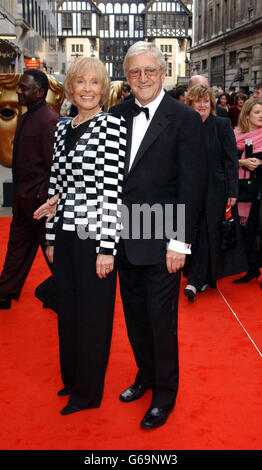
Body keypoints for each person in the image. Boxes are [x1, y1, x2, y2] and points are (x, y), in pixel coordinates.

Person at [109, 41, 206, 429]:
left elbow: (192, 185)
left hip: (165, 239)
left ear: (164, 72)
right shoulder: (116, 115)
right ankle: (146, 375)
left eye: (150, 70)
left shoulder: (184, 119)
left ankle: (164, 394)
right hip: (125, 235)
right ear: (127, 76)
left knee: (161, 321)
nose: (143, 78)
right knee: (134, 318)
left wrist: (180, 242)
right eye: (135, 71)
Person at [35, 57, 126, 415]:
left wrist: (107, 248)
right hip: (68, 235)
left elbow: (111, 190)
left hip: (95, 235)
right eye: (80, 82)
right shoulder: (62, 127)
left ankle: (88, 393)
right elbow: (56, 184)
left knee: (93, 314)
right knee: (69, 309)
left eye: (94, 83)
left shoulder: (111, 126)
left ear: (104, 89)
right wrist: (52, 238)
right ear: (70, 88)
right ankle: (72, 380)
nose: (87, 89)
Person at [0, 69, 59, 310]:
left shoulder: (49, 120)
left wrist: (42, 197)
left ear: (40, 92)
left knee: (54, 254)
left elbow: (53, 165)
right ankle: (4, 292)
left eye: (25, 88)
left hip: (40, 203)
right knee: (16, 248)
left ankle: (67, 293)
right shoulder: (26, 117)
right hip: (23, 199)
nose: (19, 91)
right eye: (20, 87)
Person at [184, 85, 247, 301]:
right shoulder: (183, 126)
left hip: (215, 190)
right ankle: (202, 276)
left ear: (211, 103)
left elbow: (231, 160)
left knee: (207, 232)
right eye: (197, 101)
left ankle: (194, 280)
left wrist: (232, 190)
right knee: (192, 231)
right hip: (188, 189)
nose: (202, 105)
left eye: (206, 101)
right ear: (190, 103)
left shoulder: (221, 125)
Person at [232, 99, 262, 284]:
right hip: (243, 190)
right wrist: (241, 163)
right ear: (247, 114)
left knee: (259, 229)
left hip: (260, 189)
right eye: (257, 112)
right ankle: (251, 269)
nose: (261, 116)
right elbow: (225, 158)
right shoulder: (235, 135)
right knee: (246, 231)